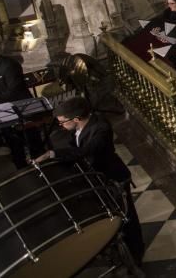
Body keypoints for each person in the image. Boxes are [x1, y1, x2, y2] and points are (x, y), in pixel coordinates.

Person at [33, 97, 144, 264]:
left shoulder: (101, 128)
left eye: (62, 122)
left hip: (114, 178)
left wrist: (53, 154)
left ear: (76, 119)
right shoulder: (79, 127)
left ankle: (137, 255)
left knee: (127, 217)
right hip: (99, 177)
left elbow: (86, 150)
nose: (61, 126)